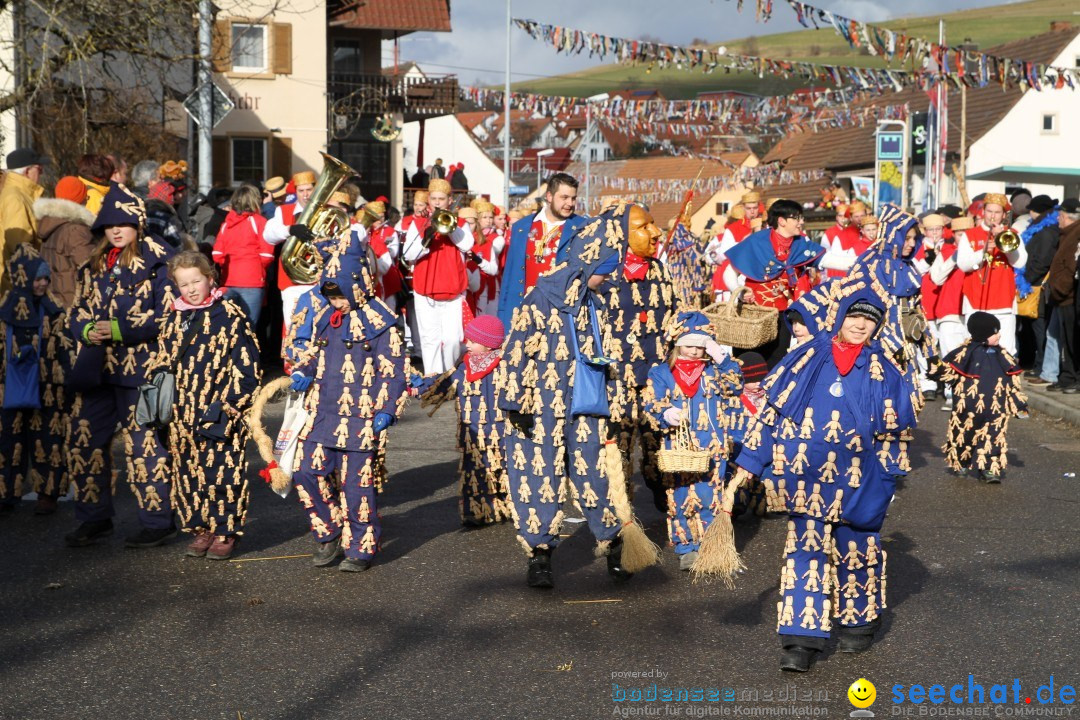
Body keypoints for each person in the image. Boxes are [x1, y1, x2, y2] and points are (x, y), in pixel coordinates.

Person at [716, 286, 916, 672]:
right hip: (807, 477)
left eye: (869, 320)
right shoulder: (805, 358)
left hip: (861, 478)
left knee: (857, 550)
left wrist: (888, 480)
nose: (860, 325)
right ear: (840, 317)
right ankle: (800, 640)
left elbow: (897, 431)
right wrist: (750, 464)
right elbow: (772, 414)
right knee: (805, 553)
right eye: (855, 317)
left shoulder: (885, 371)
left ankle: (858, 623)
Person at [499, 203, 660, 589]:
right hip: (538, 407)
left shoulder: (595, 304)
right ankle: (540, 556)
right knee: (539, 479)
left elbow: (608, 360)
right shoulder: (539, 300)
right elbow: (515, 351)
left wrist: (615, 403)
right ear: (586, 268)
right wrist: (514, 403)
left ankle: (614, 547)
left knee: (595, 475)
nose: (607, 280)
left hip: (587, 406)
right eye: (603, 273)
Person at [64, 185, 179, 548]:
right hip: (96, 369)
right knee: (83, 444)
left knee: (146, 448)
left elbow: (169, 315)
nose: (115, 230)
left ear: (138, 224)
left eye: (124, 223)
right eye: (109, 224)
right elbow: (76, 310)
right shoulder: (94, 264)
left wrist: (119, 329)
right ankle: (93, 518)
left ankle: (158, 522)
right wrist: (83, 328)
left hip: (142, 372)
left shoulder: (162, 260)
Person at [283, 239, 409, 571]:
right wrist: (303, 371)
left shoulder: (381, 321)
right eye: (331, 296)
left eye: (340, 295)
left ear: (359, 285)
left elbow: (394, 371)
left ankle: (360, 548)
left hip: (361, 416)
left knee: (357, 488)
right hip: (323, 413)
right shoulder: (326, 316)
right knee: (305, 472)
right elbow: (314, 354)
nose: (336, 302)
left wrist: (386, 409)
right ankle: (328, 532)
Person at [149, 251, 261, 558]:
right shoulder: (174, 316)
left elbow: (247, 367)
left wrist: (231, 405)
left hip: (218, 410)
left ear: (210, 279)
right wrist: (156, 389)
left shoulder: (229, 314)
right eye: (183, 284)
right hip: (180, 412)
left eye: (196, 281)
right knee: (188, 474)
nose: (191, 289)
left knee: (223, 473)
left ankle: (225, 531)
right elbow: (162, 358)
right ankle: (202, 528)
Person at [641, 312, 743, 570]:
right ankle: (686, 547)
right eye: (690, 345)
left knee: (711, 495)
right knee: (680, 495)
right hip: (678, 445)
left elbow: (736, 386)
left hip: (712, 444)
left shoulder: (713, 371)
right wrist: (665, 412)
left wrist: (720, 356)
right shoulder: (663, 372)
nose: (696, 351)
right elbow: (651, 402)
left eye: (701, 346)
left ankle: (711, 546)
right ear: (677, 345)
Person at [601, 204, 679, 513]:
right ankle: (620, 515)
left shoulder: (659, 269)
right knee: (618, 448)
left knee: (658, 443)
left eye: (653, 224)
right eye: (643, 227)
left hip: (655, 375)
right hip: (616, 380)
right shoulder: (602, 273)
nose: (655, 232)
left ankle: (664, 493)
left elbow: (675, 309)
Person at [418, 315, 512, 528]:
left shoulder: (506, 366)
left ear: (488, 344)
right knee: (475, 475)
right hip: (473, 435)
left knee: (507, 471)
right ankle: (477, 512)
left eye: (472, 341)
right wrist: (421, 386)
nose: (466, 344)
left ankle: (510, 507)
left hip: (503, 432)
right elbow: (444, 385)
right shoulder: (464, 366)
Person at [0, 247, 69, 516]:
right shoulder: (6, 311)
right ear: (22, 278)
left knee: (48, 439)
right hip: (9, 386)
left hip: (47, 386)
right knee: (8, 441)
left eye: (45, 279)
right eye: (36, 278)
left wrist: (67, 380)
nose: (41, 284)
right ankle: (6, 492)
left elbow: (64, 347)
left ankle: (47, 493)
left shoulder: (51, 308)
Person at [723, 199, 824, 366]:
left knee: (776, 364)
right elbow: (729, 273)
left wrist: (867, 257)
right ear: (782, 221)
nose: (802, 222)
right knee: (748, 363)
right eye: (797, 218)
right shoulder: (757, 242)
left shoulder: (800, 244)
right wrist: (740, 291)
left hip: (783, 315)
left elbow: (828, 259)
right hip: (754, 314)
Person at [941, 312, 1026, 483]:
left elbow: (1013, 383)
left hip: (996, 409)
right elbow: (945, 372)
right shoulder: (964, 353)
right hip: (967, 409)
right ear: (983, 334)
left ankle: (989, 469)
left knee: (993, 438)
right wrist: (935, 370)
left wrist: (1019, 405)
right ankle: (961, 462)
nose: (999, 335)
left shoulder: (1002, 355)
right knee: (963, 435)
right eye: (995, 332)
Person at [402, 178, 475, 374]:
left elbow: (467, 244)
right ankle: (432, 379)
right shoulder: (417, 224)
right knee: (429, 339)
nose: (436, 202)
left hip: (454, 290)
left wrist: (449, 228)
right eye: (433, 198)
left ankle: (449, 375)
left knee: (452, 339)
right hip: (424, 291)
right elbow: (409, 255)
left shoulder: (459, 223)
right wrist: (427, 234)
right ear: (428, 200)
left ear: (449, 200)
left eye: (441, 199)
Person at [497, 172, 587, 328]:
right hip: (523, 312)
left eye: (573, 198)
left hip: (560, 315)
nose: (570, 203)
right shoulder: (521, 227)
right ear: (550, 196)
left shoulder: (582, 227)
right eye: (564, 197)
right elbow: (509, 278)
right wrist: (503, 319)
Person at [956, 193, 1027, 356]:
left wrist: (1003, 243)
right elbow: (963, 265)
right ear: (983, 212)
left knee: (1006, 350)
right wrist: (982, 252)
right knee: (974, 350)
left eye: (997, 212)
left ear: (1003, 215)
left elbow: (1020, 262)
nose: (992, 216)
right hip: (976, 301)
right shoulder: (970, 235)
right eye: (989, 211)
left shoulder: (1012, 234)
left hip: (1003, 301)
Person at [917, 214, 966, 409]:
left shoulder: (950, 249)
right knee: (927, 345)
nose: (936, 233)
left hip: (946, 301)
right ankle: (927, 382)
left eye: (939, 229)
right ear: (925, 231)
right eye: (932, 230)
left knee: (948, 346)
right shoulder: (917, 249)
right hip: (926, 300)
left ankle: (947, 385)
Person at [263, 170, 318, 332]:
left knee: (317, 328)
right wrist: (290, 230)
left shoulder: (324, 211)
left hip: (318, 278)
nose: (305, 195)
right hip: (291, 279)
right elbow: (268, 236)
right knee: (293, 326)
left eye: (309, 190)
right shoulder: (283, 211)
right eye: (301, 191)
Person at [211, 184, 274, 327]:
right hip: (252, 281)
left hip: (228, 281)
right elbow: (266, 254)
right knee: (249, 328)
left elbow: (217, 254)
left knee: (228, 328)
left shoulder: (227, 224)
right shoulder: (260, 222)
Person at [36, 177, 95, 308]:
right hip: (73, 304)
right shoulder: (76, 230)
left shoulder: (47, 223)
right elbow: (91, 266)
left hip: (52, 300)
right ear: (82, 199)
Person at [1018, 195, 1060, 383]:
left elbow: (1041, 262)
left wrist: (1025, 281)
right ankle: (1035, 362)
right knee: (1034, 327)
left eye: (1031, 210)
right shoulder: (1042, 228)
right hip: (1033, 284)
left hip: (1037, 287)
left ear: (1038, 211)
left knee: (1039, 327)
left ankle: (1041, 365)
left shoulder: (1046, 231)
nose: (1029, 213)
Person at [1, 148, 47, 290]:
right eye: (39, 169)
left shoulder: (18, 195)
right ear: (27, 171)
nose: (42, 173)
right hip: (16, 285)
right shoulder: (16, 198)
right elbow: (20, 247)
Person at [1046, 199, 1080, 392]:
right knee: (1064, 340)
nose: (1057, 218)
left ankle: (1070, 377)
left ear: (1066, 217)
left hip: (1068, 296)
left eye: (1060, 215)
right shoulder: (1067, 233)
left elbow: (1072, 265)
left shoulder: (1076, 233)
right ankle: (1066, 375)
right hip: (1062, 295)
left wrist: (1060, 288)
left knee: (1070, 340)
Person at [467, 201, 505, 317]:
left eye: (490, 217)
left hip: (490, 283)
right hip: (470, 283)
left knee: (489, 317)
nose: (488, 220)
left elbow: (496, 251)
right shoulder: (468, 238)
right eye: (484, 217)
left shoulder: (497, 238)